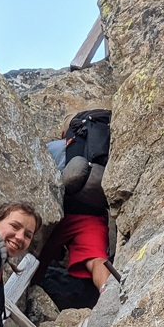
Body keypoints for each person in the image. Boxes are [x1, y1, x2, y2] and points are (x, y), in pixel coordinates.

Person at [33, 109, 113, 310]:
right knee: (97, 259)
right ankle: (109, 298)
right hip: (92, 215)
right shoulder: (102, 151)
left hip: (60, 212)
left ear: (66, 133)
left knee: (35, 260)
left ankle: (29, 296)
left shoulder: (53, 148)